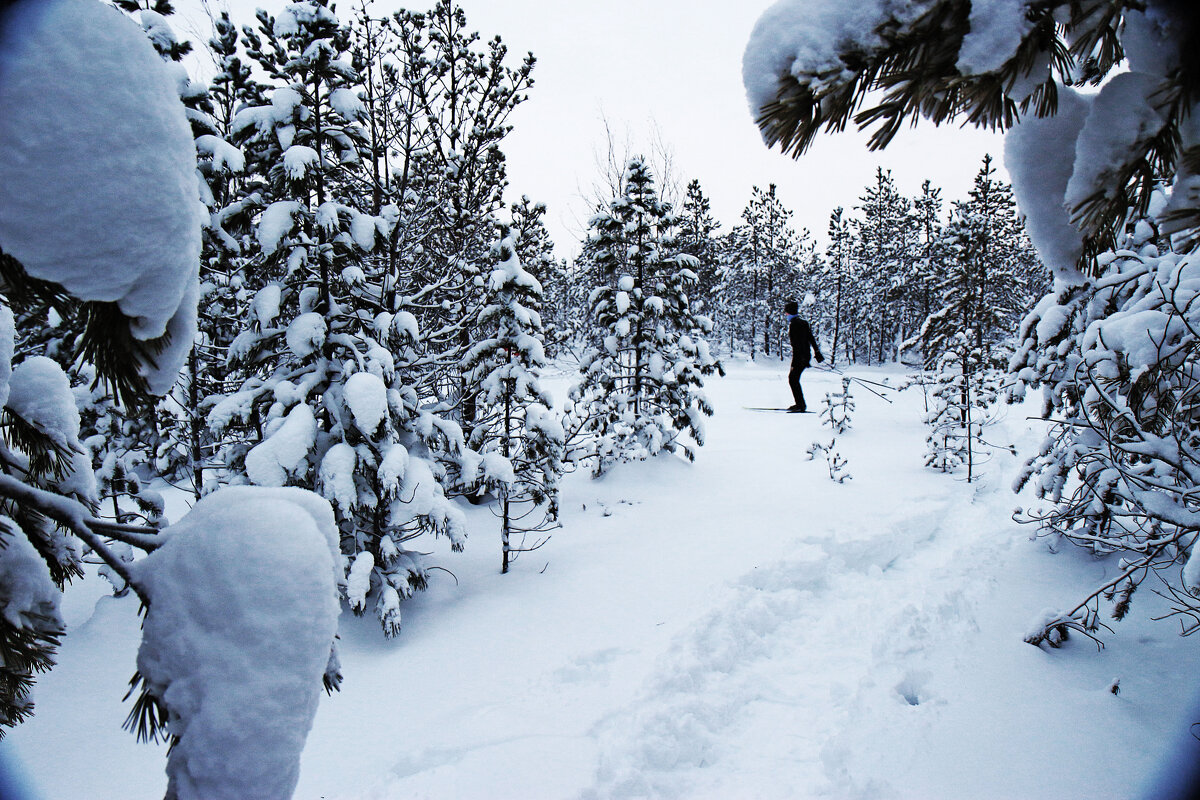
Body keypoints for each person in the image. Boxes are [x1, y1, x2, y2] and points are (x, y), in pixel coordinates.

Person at [785, 299, 823, 412]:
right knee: (793, 379)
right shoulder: (803, 323)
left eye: (786, 312)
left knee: (793, 379)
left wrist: (800, 359)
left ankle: (800, 405)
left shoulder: (794, 325)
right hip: (804, 356)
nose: (786, 315)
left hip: (800, 357)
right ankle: (800, 404)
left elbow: (797, 345)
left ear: (790, 312)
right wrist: (817, 352)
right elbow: (811, 338)